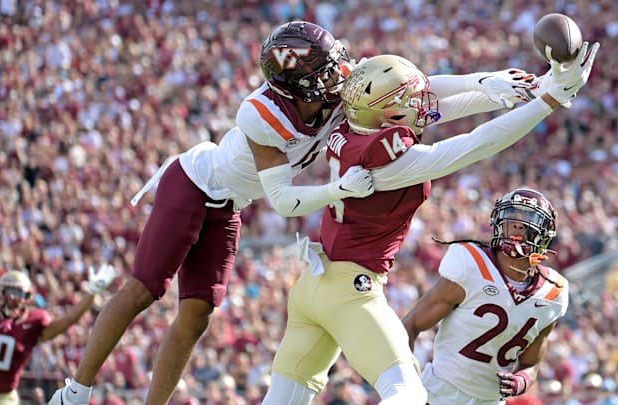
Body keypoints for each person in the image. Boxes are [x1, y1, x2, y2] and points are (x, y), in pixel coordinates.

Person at [49, 20, 543, 405]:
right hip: (195, 184)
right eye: (324, 72)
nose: (340, 75)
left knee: (197, 315)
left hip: (231, 205)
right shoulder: (262, 114)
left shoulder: (338, 85)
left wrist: (485, 83)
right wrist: (338, 189)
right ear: (295, 84)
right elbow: (285, 202)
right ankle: (77, 390)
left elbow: (409, 92)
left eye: (335, 64)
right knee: (145, 289)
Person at [261, 44, 599, 405]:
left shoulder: (353, 122)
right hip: (350, 290)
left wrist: (516, 87)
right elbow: (477, 143)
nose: (423, 103)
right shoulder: (387, 162)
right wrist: (547, 99)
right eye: (411, 100)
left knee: (284, 398)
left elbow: (436, 102)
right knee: (406, 395)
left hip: (314, 282)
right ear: (389, 117)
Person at [402, 188, 571, 404]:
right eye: (513, 216)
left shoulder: (553, 291)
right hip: (440, 393)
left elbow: (531, 363)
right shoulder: (471, 264)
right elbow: (410, 325)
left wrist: (522, 380)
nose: (519, 225)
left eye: (529, 219)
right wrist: (405, 383)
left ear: (544, 234)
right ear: (499, 220)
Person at [0, 222, 117, 405]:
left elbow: (68, 320)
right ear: (0, 292)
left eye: (21, 294)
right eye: (13, 293)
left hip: (6, 397)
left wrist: (91, 293)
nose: (17, 299)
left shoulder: (34, 322)